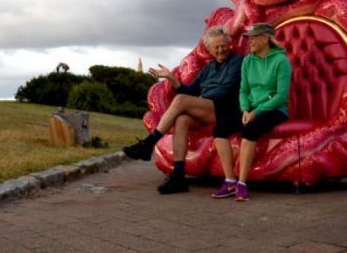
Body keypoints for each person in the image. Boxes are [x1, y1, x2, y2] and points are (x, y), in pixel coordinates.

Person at [123, 26, 243, 194]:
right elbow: (190, 91)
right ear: (209, 49)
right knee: (182, 120)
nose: (220, 50)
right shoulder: (208, 68)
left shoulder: (239, 62)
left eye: (223, 46)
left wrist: (196, 101)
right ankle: (178, 177)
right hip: (207, 108)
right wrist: (171, 78)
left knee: (181, 101)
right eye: (216, 47)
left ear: (229, 44)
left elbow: (227, 90)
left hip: (226, 109)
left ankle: (148, 144)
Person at [212, 22, 292, 201]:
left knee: (250, 131)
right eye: (249, 37)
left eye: (254, 37)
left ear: (266, 38)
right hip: (251, 109)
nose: (250, 41)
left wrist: (256, 112)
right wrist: (245, 110)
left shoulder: (281, 61)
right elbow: (244, 91)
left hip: (275, 109)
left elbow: (281, 95)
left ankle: (242, 184)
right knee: (219, 129)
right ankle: (230, 180)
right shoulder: (248, 60)